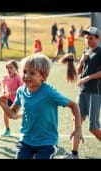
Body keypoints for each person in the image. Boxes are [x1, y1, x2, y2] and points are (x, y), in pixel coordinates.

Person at [0, 53, 83, 159]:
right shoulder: (21, 91)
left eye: (32, 73)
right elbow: (13, 114)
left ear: (43, 76)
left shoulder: (49, 92)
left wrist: (78, 128)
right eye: (24, 72)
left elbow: (73, 105)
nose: (26, 76)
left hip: (46, 142)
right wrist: (4, 106)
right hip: (25, 141)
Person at [64, 26, 101, 159]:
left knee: (93, 127)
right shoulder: (87, 52)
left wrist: (88, 78)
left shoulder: (100, 52)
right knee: (77, 120)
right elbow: (78, 71)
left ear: (98, 39)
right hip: (82, 91)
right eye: (86, 38)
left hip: (94, 93)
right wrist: (81, 60)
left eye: (91, 38)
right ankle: (74, 153)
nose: (88, 41)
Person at [0, 60, 23, 136]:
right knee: (5, 114)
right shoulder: (5, 78)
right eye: (8, 68)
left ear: (16, 68)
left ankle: (24, 115)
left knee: (13, 116)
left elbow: (22, 89)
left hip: (17, 100)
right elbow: (3, 87)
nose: (9, 70)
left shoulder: (18, 78)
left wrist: (13, 92)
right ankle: (7, 130)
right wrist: (2, 91)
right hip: (8, 99)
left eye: (11, 68)